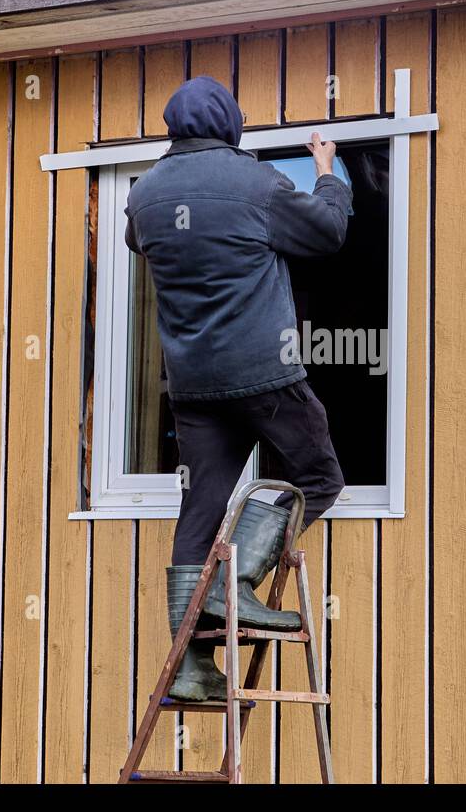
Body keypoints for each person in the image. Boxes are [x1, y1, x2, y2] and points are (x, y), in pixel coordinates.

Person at [124, 75, 349, 701]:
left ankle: (192, 670)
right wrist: (327, 172)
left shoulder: (143, 192)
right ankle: (237, 583)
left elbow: (135, 238)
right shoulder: (255, 182)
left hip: (192, 384)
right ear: (230, 125)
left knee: (199, 510)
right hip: (262, 372)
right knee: (318, 477)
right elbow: (327, 232)